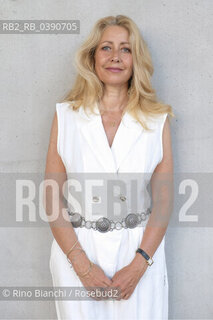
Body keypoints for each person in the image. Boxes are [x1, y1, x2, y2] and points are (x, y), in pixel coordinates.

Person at [44, 14, 174, 320]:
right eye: (106, 48)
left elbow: (165, 201)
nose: (115, 57)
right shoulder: (66, 116)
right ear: (92, 57)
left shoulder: (157, 120)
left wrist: (140, 264)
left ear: (135, 59)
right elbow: (51, 198)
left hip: (140, 252)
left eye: (126, 49)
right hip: (77, 251)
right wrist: (81, 266)